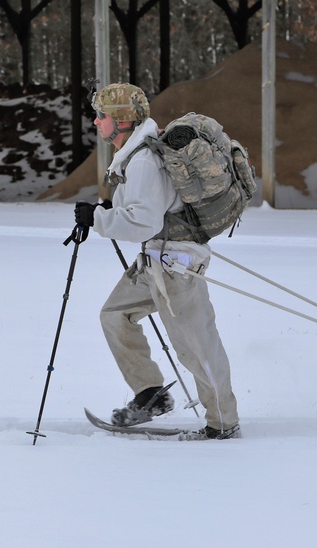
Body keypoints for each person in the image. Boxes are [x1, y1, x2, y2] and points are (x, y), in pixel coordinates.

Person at [69, 83, 240, 440]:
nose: (96, 122)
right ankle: (150, 395)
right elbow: (144, 214)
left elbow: (144, 222)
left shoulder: (144, 161)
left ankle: (223, 422)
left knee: (196, 347)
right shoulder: (134, 156)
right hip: (156, 261)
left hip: (176, 266)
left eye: (101, 116)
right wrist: (104, 212)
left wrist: (98, 220)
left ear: (122, 121)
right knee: (115, 315)